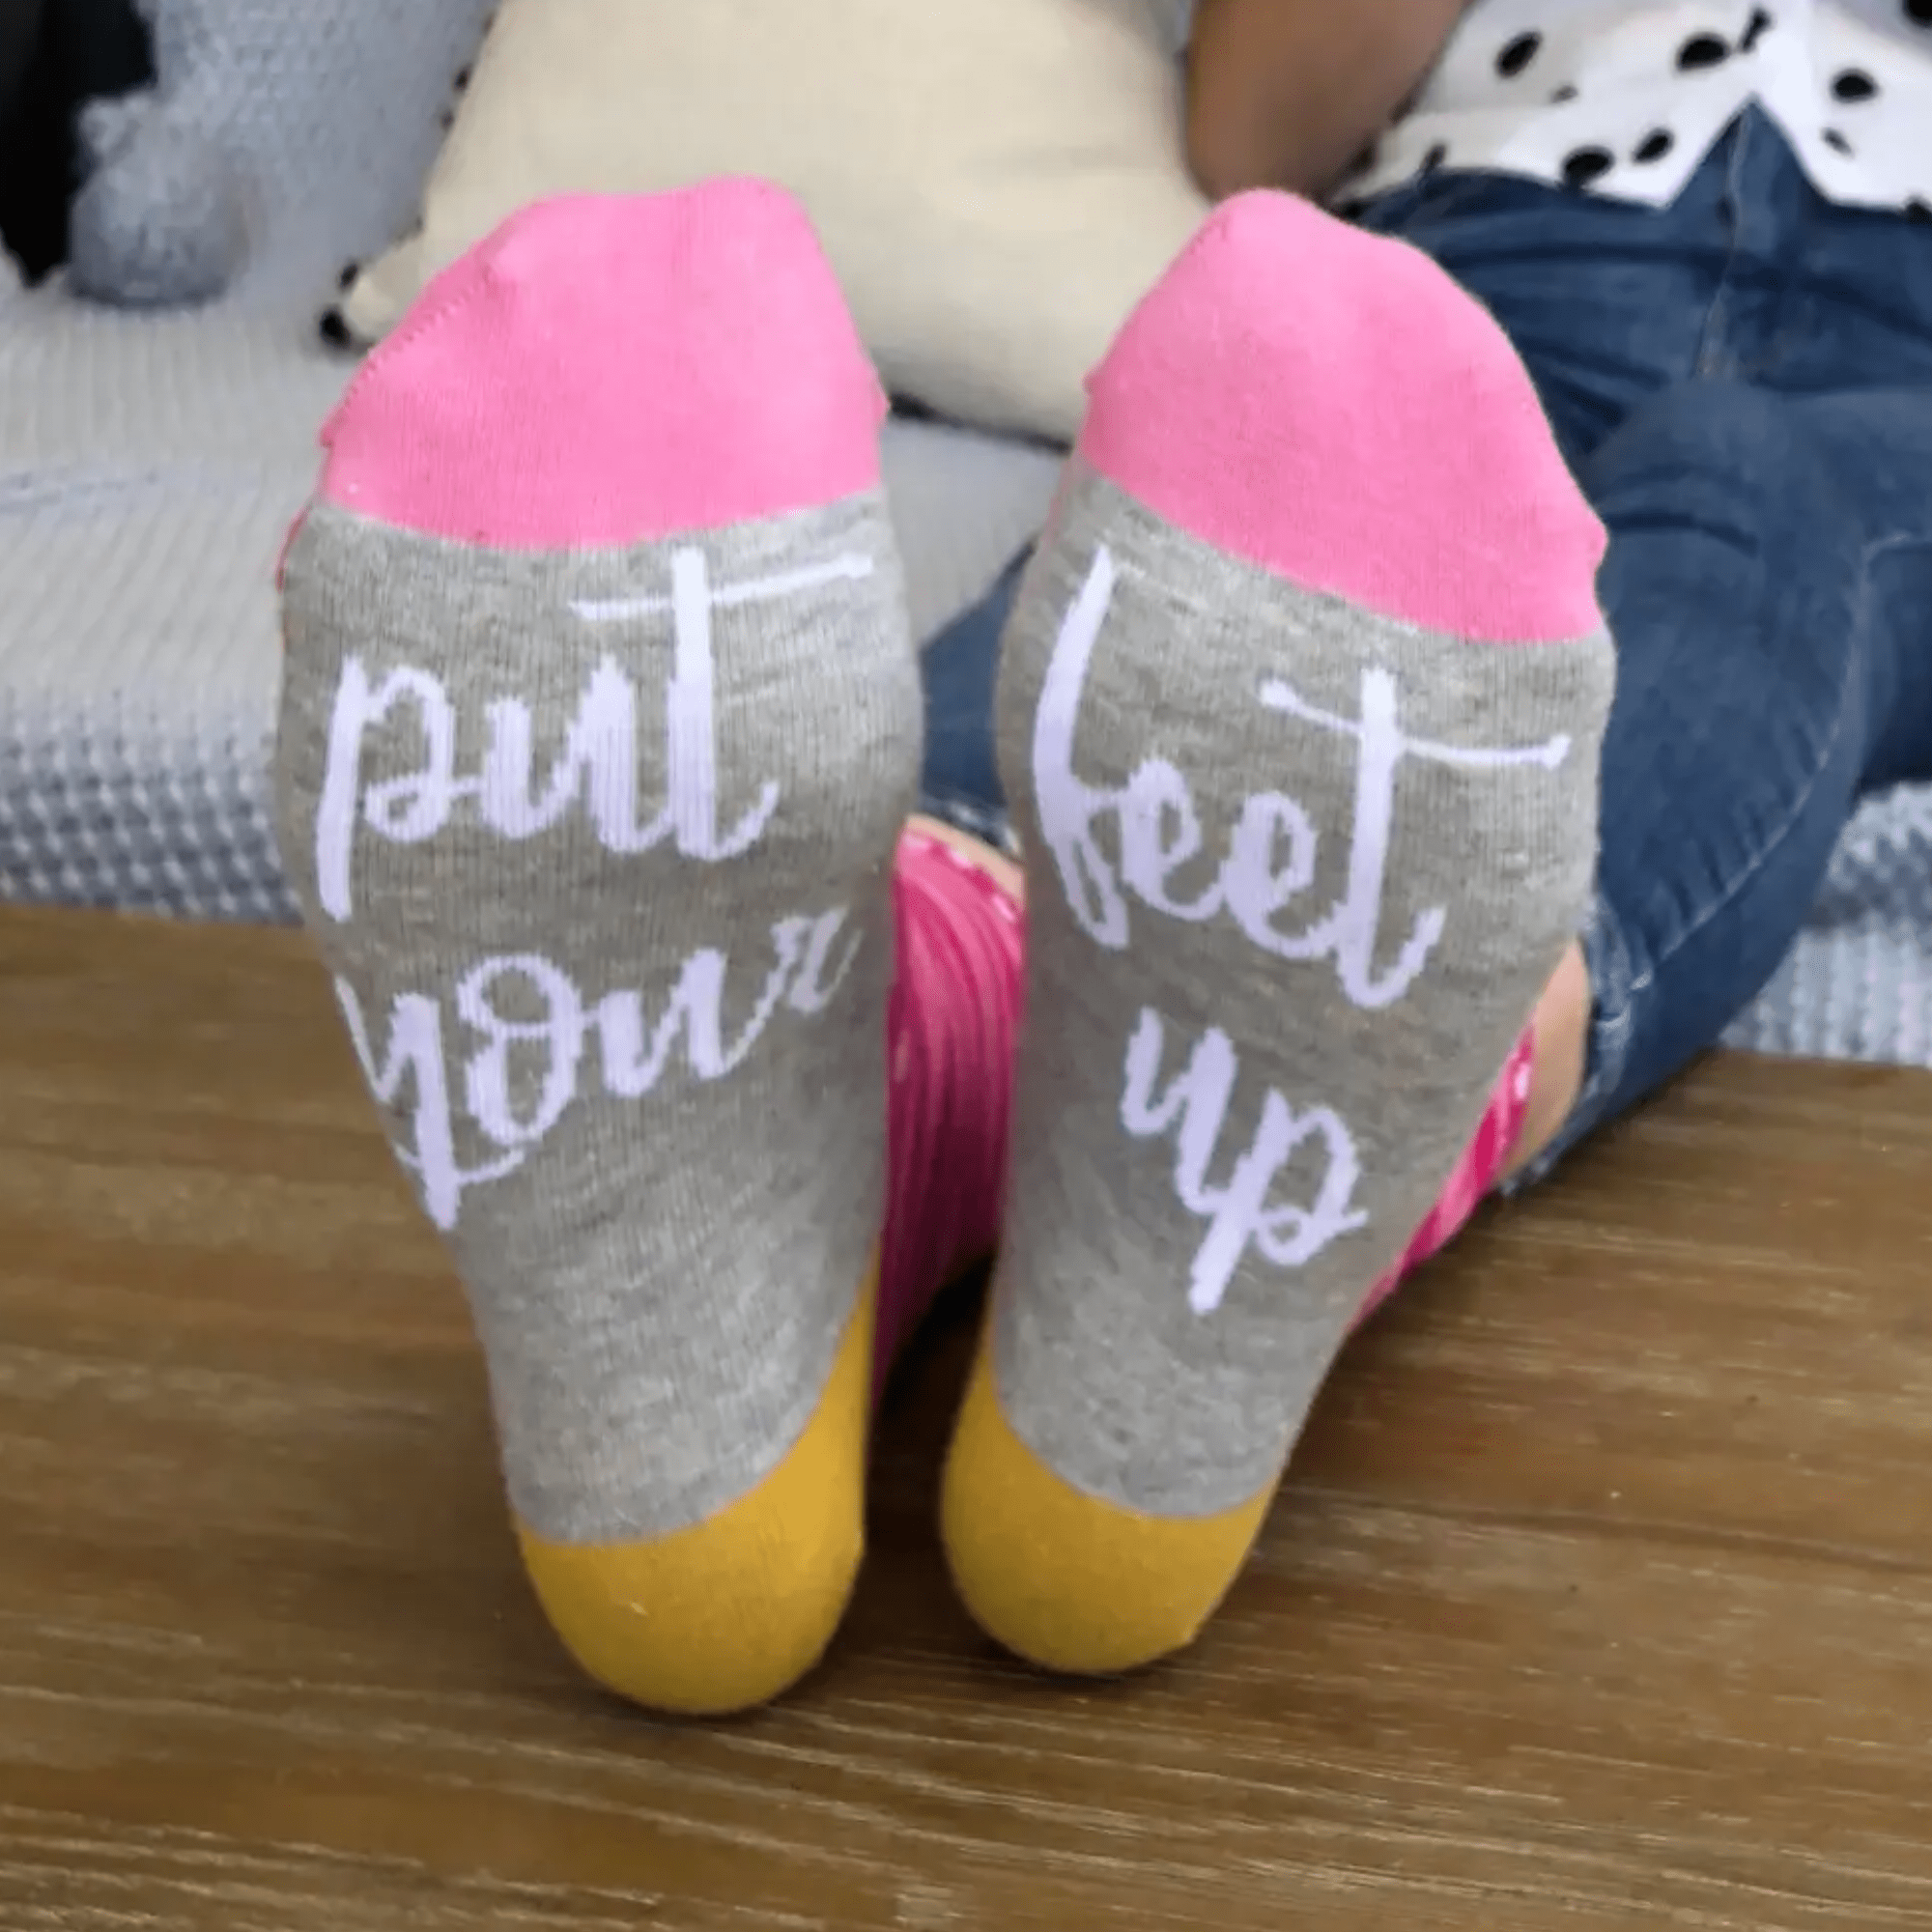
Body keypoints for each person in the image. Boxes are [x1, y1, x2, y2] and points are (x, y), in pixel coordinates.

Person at [269, 0, 1932, 1719]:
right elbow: (1251, 135)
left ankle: (1114, 1061)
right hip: (1492, 251)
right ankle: (1046, 1208)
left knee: (1752, 497)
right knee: (1269, 523)